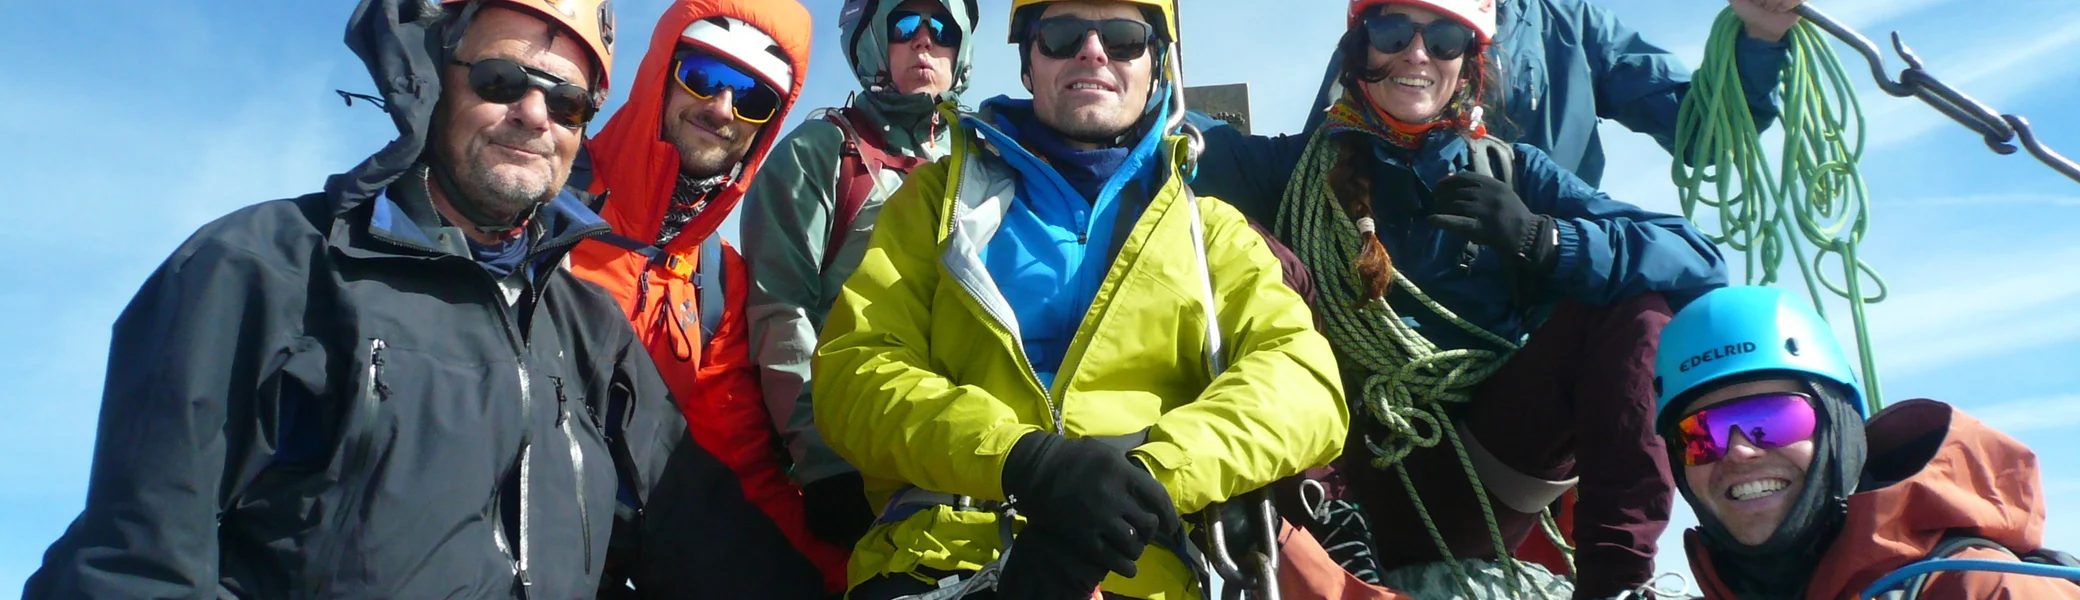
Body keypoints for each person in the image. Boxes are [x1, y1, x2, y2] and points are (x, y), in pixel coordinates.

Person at [24, 0, 800, 597]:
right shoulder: (263, 269)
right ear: (436, 80)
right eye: (503, 82)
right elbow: (139, 560)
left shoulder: (588, 333)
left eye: (566, 103)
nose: (535, 116)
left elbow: (705, 533)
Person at [1183, 0, 1729, 597]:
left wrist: (1544, 240)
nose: (1416, 54)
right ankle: (1337, 546)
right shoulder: (1290, 172)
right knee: (1243, 247)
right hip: (1341, 484)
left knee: (1636, 309)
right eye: (1392, 33)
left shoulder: (1511, 171)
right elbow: (1172, 135)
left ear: (1469, 65)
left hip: (1486, 477)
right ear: (1359, 49)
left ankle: (1615, 585)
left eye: (1444, 39)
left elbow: (1697, 259)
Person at [810, 0, 1350, 597]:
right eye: (1062, 34)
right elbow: (854, 372)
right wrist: (1025, 461)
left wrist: (1147, 477)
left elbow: (1303, 382)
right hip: (939, 560)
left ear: (1158, 67)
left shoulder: (1212, 233)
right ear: (1027, 64)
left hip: (1142, 565)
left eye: (1123, 37)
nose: (1092, 50)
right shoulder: (935, 203)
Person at [563, 0, 845, 594]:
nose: (722, 109)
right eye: (706, 77)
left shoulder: (720, 279)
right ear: (662, 73)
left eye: (754, 98)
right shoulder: (542, 201)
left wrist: (850, 577)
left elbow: (737, 468)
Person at [1654, 286, 2080, 599]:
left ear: (1839, 428)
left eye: (1772, 419)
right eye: (1698, 436)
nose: (1740, 450)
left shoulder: (1985, 590)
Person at [739, 0, 980, 551]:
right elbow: (781, 309)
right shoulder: (820, 153)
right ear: (873, 42)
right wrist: (824, 465)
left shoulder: (981, 157)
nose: (924, 41)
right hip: (861, 466)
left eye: (941, 28)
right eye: (904, 26)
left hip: (978, 466)